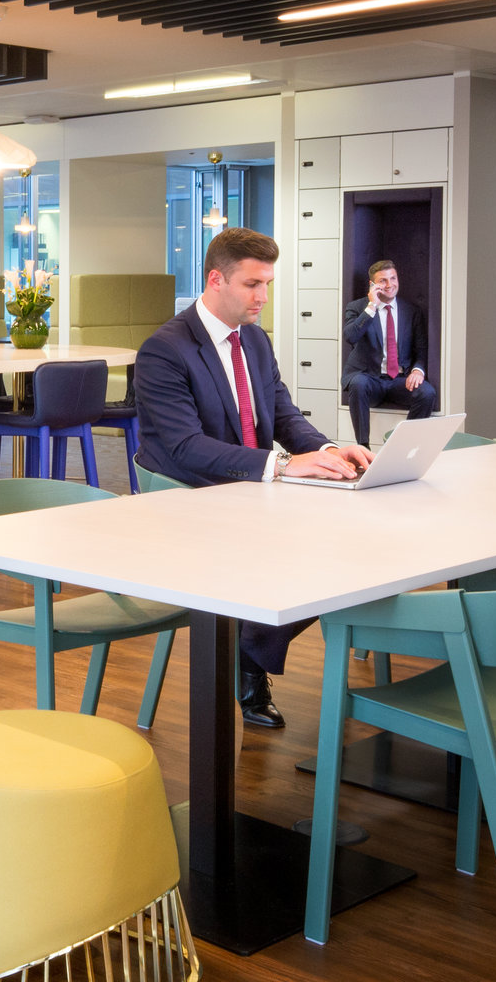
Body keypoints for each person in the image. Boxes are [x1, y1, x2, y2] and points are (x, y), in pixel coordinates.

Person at [134, 227, 373, 728]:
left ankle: (250, 647)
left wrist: (329, 450)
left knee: (350, 545)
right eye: (252, 284)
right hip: (188, 500)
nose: (263, 297)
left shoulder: (256, 341)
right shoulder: (164, 350)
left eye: (267, 284)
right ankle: (250, 657)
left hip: (249, 491)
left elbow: (283, 414)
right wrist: (283, 465)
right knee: (316, 548)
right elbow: (184, 447)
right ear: (215, 279)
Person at [341, 259, 435, 448]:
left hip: (399, 379)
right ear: (372, 285)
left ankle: (402, 446)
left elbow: (421, 348)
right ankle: (363, 448)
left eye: (393, 278)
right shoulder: (357, 307)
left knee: (427, 393)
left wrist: (418, 370)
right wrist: (372, 307)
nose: (390, 284)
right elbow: (350, 336)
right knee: (358, 383)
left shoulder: (411, 311)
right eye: (383, 280)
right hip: (369, 378)